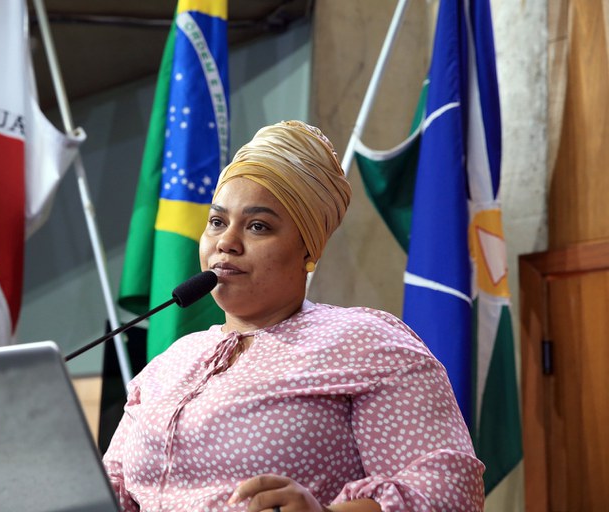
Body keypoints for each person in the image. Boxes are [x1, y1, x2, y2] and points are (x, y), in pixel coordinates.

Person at [104, 120, 485, 511]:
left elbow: (449, 490)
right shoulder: (170, 363)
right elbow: (104, 490)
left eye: (258, 226)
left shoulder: (366, 342)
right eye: (217, 222)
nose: (226, 242)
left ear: (308, 249)